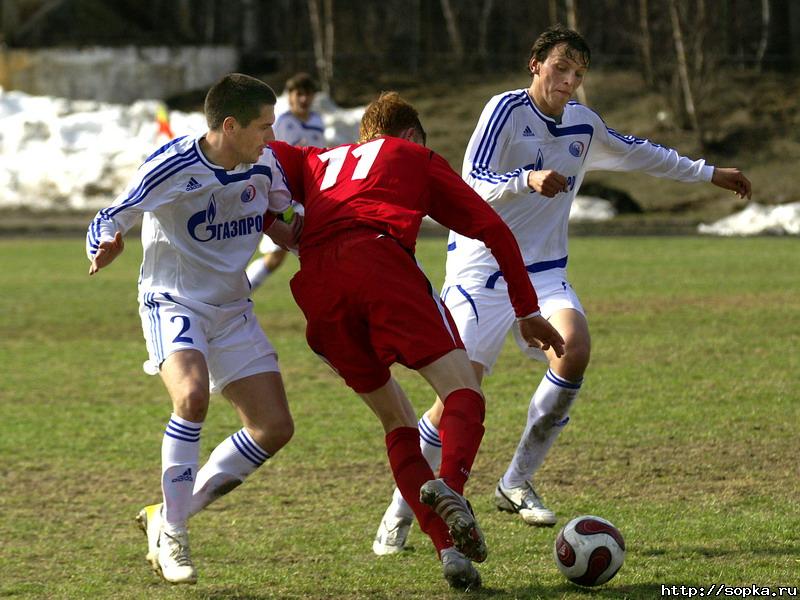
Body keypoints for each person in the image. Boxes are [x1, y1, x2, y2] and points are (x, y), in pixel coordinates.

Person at [372, 24, 753, 554]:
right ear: (536, 65)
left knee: (574, 349)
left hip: (545, 270)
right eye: (560, 68)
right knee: (459, 395)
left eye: (578, 73)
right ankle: (402, 509)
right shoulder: (504, 110)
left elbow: (641, 152)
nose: (569, 81)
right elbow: (472, 180)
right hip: (481, 271)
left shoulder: (583, 124)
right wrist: (525, 180)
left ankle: (515, 481)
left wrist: (709, 172)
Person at [268, 92, 565, 590]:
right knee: (462, 391)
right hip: (380, 264)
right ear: (409, 136)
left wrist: (282, 228)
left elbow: (252, 171)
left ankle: (448, 550)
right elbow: (494, 229)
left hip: (317, 287)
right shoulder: (414, 156)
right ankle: (452, 488)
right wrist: (527, 310)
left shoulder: (314, 158)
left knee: (397, 422)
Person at [86, 73, 300, 585]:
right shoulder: (173, 165)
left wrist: (319, 240)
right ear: (229, 125)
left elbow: (279, 219)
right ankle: (174, 536)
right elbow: (111, 214)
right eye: (263, 128)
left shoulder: (263, 164)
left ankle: (168, 513)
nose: (271, 139)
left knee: (274, 428)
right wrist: (105, 242)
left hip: (231, 309)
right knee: (192, 397)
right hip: (172, 301)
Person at [245, 72, 324, 290]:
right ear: (289, 96)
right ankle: (240, 291)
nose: (303, 99)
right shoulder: (280, 120)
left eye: (308, 94)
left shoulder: (317, 121)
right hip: (280, 194)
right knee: (276, 254)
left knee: (311, 249)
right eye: (299, 94)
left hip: (306, 195)